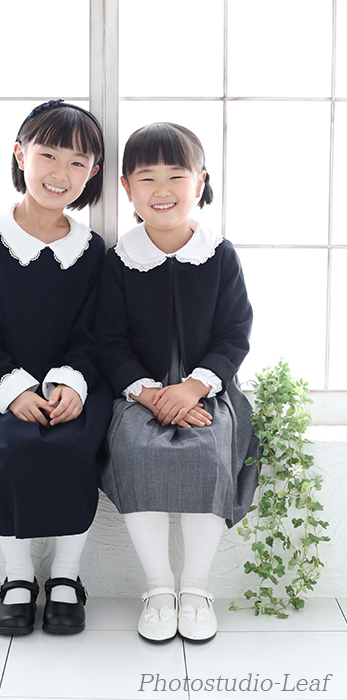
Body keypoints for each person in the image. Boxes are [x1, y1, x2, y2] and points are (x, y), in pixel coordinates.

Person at [0, 100, 112, 637]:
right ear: (21, 155)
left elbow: (91, 333)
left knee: (73, 446)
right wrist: (11, 389)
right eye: (49, 155)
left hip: (72, 383)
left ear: (92, 173)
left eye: (77, 162)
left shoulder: (91, 250)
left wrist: (71, 383)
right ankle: (18, 577)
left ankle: (66, 576)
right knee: (12, 445)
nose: (60, 173)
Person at [94, 122, 258, 644]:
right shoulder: (119, 259)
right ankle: (159, 588)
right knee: (135, 446)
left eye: (176, 175)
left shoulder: (219, 254)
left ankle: (196, 588)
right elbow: (108, 339)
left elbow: (235, 332)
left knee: (209, 448)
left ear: (200, 181)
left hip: (208, 388)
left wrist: (193, 388)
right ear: (127, 188)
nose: (161, 190)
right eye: (147, 178)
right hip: (137, 390)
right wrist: (147, 393)